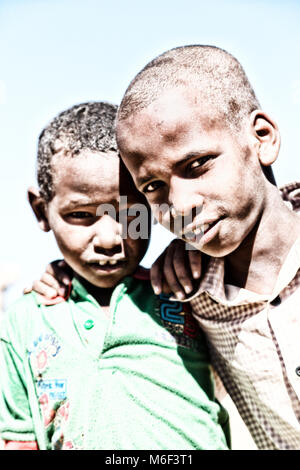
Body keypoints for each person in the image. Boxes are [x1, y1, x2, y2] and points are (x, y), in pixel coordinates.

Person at [0, 101, 229, 450]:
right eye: (81, 215)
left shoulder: (187, 287)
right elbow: (19, 440)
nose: (109, 239)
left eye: (130, 214)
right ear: (41, 210)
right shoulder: (24, 322)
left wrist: (191, 248)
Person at [114, 45, 300, 450]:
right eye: (153, 186)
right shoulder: (187, 297)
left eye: (197, 165)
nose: (179, 205)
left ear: (262, 138)